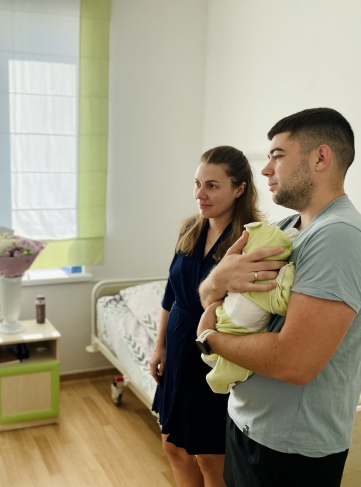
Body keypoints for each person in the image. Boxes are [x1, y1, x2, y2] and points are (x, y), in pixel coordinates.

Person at [196, 108, 361, 487]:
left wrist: (208, 338)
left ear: (320, 157)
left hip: (287, 450)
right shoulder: (283, 229)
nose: (265, 170)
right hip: (248, 423)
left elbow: (295, 362)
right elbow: (211, 294)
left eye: (277, 156)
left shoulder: (339, 236)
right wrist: (217, 281)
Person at [150, 146, 263, 487]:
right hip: (178, 347)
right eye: (197, 184)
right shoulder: (190, 229)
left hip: (213, 354)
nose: (200, 194)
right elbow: (171, 292)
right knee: (172, 446)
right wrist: (160, 346)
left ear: (239, 188)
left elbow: (254, 310)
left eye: (212, 186)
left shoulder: (250, 241)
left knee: (211, 458)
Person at [200, 221, 298, 393]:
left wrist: (206, 336)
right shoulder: (277, 226)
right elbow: (204, 299)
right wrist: (216, 279)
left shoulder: (263, 230)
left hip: (223, 335)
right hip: (213, 325)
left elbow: (289, 359)